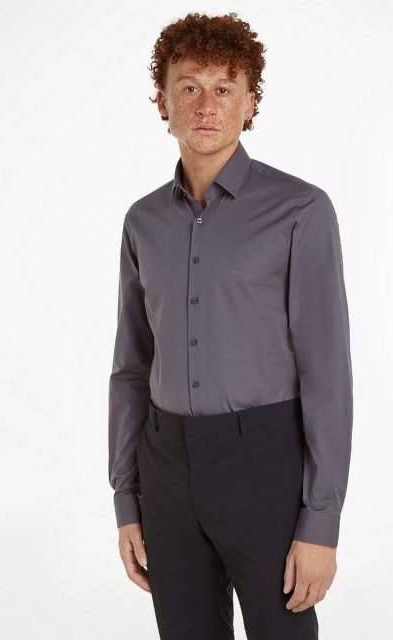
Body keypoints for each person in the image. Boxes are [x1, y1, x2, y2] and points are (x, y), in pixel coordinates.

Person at [108, 11, 353, 640]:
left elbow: (326, 374)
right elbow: (131, 368)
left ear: (251, 104)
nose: (206, 104)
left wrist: (321, 522)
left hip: (265, 463)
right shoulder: (142, 223)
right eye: (189, 87)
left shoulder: (301, 210)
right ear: (162, 102)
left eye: (225, 88)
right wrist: (127, 499)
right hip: (165, 466)